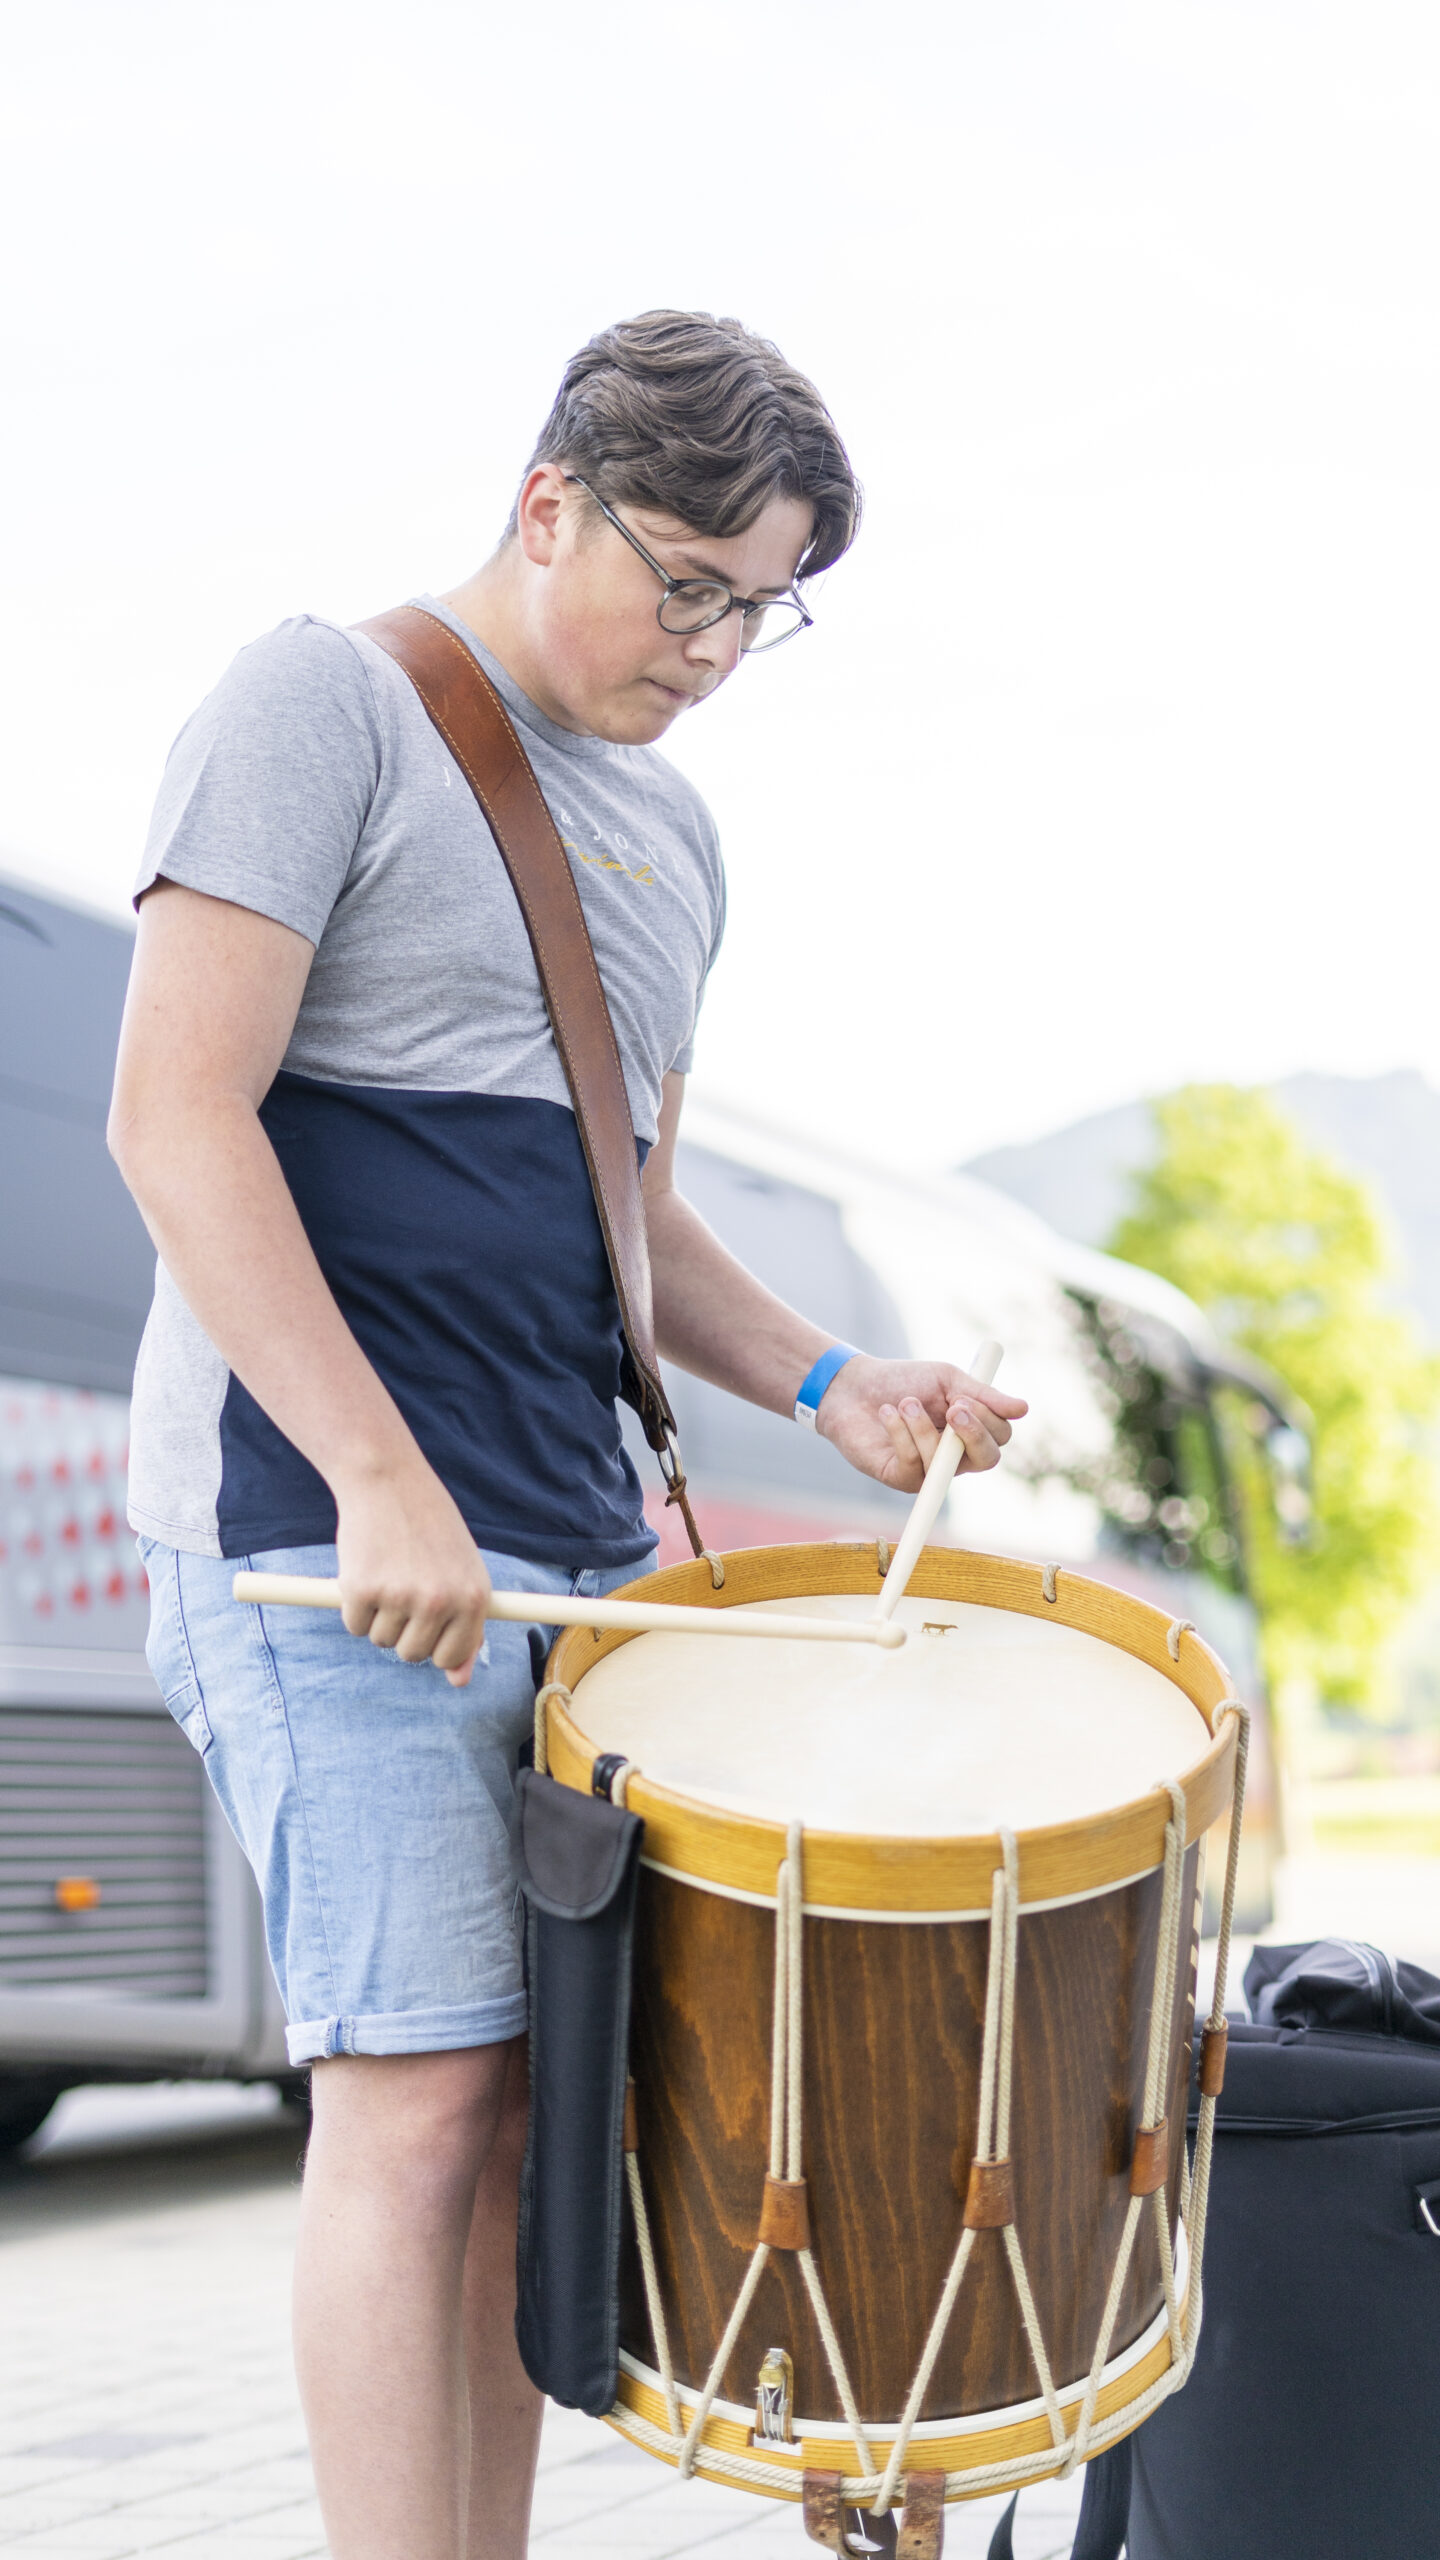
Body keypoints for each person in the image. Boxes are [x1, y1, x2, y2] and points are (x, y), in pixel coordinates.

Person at [108, 309, 1026, 2560]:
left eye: (759, 608)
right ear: (550, 504)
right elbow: (174, 1113)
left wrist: (831, 1379)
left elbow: (635, 1213)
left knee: (533, 2123)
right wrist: (377, 1474)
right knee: (417, 2096)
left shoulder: (677, 835)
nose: (714, 650)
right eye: (688, 582)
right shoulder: (319, 704)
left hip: (572, 1559)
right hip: (318, 1548)